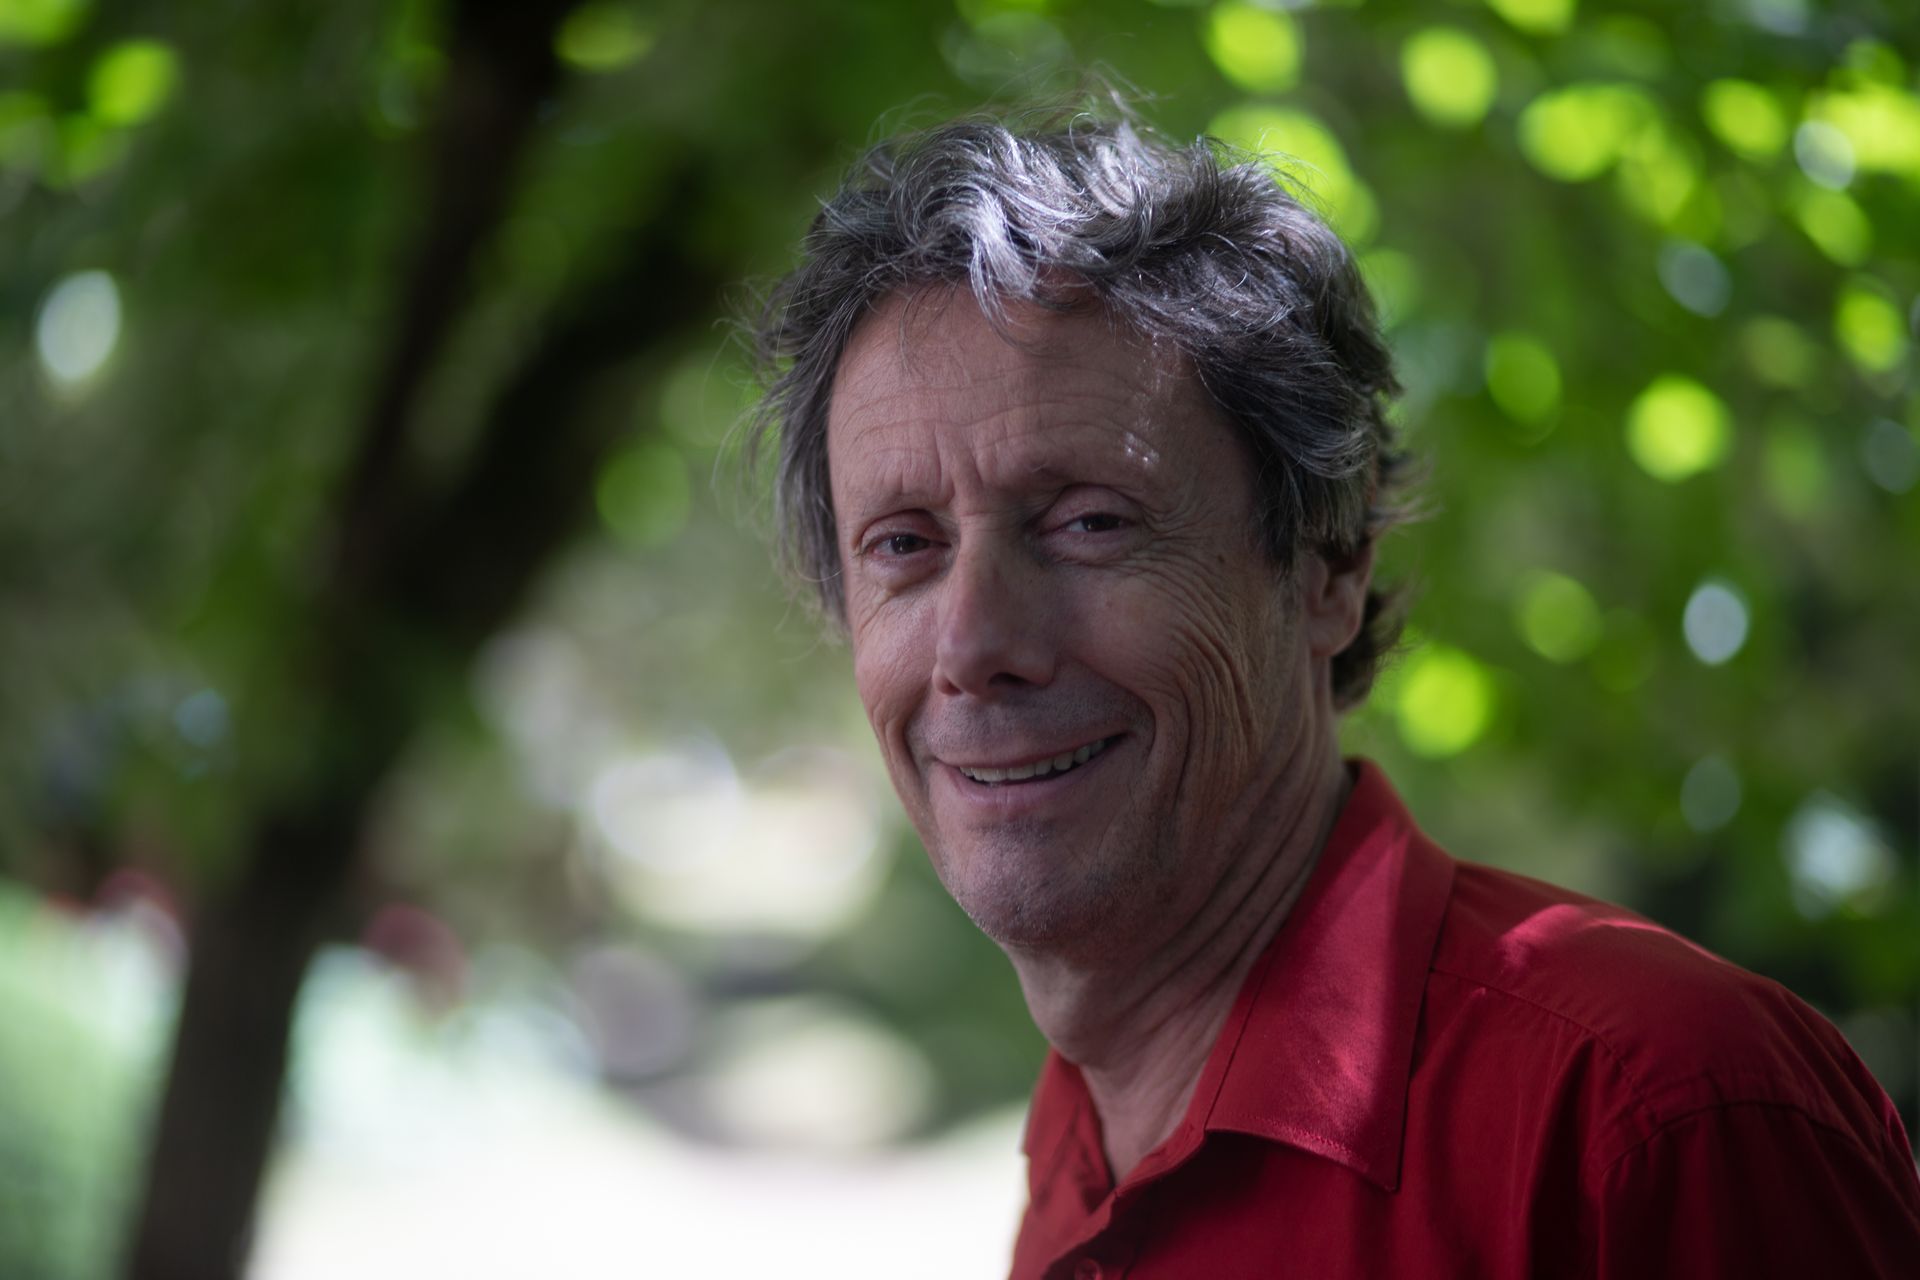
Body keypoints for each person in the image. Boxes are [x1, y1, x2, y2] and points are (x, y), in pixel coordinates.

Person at [748, 114, 1920, 1278]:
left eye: (1090, 522)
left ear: (1329, 567)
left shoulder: (1661, 1114)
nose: (973, 643)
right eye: (904, 545)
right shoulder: (1084, 1149)